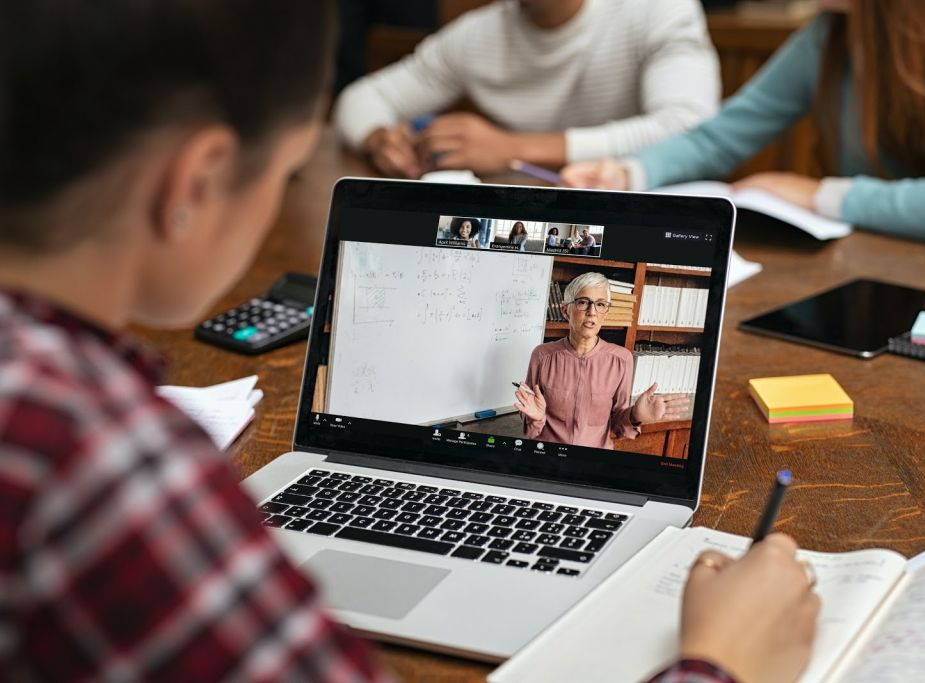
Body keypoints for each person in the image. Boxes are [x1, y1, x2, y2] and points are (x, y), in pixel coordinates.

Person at [0, 2, 820, 681]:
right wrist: (726, 663)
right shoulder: (101, 464)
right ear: (195, 185)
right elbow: (532, 425)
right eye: (287, 169)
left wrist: (633, 417)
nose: (588, 319)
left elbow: (621, 434)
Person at [562, 0, 925, 248]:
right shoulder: (830, 36)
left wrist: (818, 193)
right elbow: (721, 136)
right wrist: (628, 172)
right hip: (863, 263)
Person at [335, 0, 720, 178]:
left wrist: (512, 149)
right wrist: (379, 139)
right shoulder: (477, 33)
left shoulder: (659, 10)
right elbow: (362, 98)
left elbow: (690, 128)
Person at [516, 272, 689, 449]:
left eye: (600, 305)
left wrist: (635, 415)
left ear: (606, 313)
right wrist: (536, 418)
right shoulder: (542, 356)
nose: (592, 312)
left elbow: (618, 426)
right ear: (565, 311)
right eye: (583, 302)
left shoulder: (621, 359)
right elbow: (530, 426)